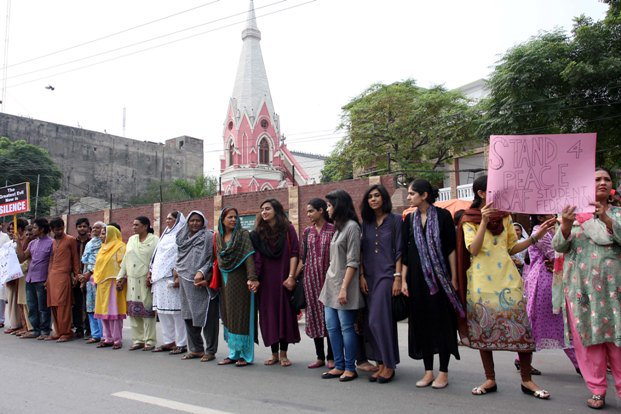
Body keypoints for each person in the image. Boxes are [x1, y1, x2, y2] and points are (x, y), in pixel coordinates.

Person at [456, 175, 555, 399]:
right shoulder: (469, 218)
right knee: (484, 331)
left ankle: (527, 380)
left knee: (522, 330)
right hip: (481, 284)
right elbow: (474, 249)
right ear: (481, 193)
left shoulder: (506, 218)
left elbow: (511, 248)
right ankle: (490, 378)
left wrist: (535, 237)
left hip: (509, 281)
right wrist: (483, 221)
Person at [552, 168, 621, 409]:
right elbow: (559, 248)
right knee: (589, 341)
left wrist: (606, 220)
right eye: (596, 179)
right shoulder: (572, 215)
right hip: (581, 290)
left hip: (614, 291)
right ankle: (597, 390)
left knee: (618, 340)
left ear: (612, 185)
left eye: (606, 179)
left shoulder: (618, 214)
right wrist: (565, 226)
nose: (602, 182)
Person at [401, 179, 464, 389]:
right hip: (417, 280)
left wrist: (454, 278)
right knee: (422, 324)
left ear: (424, 195)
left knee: (443, 324)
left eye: (411, 193)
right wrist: (402, 280)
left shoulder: (443, 216)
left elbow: (451, 249)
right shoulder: (409, 220)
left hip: (441, 279)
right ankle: (428, 371)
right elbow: (406, 254)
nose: (408, 197)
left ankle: (443, 372)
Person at [523, 214, 579, 371]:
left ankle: (521, 359)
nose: (554, 213)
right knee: (560, 322)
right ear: (541, 218)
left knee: (538, 321)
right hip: (545, 281)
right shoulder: (540, 232)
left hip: (549, 279)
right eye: (550, 212)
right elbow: (555, 255)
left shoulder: (551, 230)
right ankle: (578, 363)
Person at [319, 189, 364, 382]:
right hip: (331, 285)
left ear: (339, 206)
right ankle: (338, 365)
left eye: (329, 205)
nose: (327, 209)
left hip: (345, 285)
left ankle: (349, 367)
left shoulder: (352, 227)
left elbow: (353, 260)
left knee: (346, 327)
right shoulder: (338, 227)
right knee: (332, 328)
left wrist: (344, 288)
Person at [359, 184, 402, 383]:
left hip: (387, 275)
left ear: (384, 198)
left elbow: (399, 250)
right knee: (371, 322)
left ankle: (389, 364)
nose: (373, 199)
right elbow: (361, 252)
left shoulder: (395, 220)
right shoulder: (365, 223)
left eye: (377, 196)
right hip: (369, 277)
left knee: (379, 319)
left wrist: (398, 277)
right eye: (370, 197)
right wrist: (361, 276)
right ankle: (381, 363)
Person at [250, 199, 300, 367]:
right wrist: (255, 278)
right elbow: (256, 257)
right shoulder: (257, 233)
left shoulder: (288, 229)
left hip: (284, 278)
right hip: (266, 281)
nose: (264, 212)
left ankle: (284, 354)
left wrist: (292, 276)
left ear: (276, 210)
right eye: (262, 209)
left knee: (284, 314)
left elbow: (295, 253)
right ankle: (274, 354)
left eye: (267, 209)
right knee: (269, 315)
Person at [294, 198, 335, 369]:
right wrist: (293, 277)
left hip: (329, 280)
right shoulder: (307, 232)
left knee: (330, 319)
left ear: (321, 210)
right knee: (315, 317)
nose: (308, 214)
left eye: (311, 211)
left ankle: (332, 356)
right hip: (310, 280)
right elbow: (303, 258)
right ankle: (320, 357)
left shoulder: (333, 230)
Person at [216, 207, 259, 367]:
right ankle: (233, 353)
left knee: (242, 316)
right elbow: (217, 259)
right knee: (229, 315)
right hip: (224, 280)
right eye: (230, 217)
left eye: (235, 217)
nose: (233, 220)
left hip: (240, 280)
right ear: (222, 219)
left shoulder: (242, 235)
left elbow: (249, 258)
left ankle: (246, 355)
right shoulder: (219, 237)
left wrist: (252, 278)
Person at [175, 210, 219, 362]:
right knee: (188, 316)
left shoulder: (208, 236)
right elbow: (180, 257)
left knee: (207, 317)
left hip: (202, 282)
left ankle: (210, 351)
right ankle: (196, 349)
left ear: (203, 222)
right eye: (192, 220)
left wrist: (201, 271)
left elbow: (211, 258)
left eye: (198, 221)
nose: (194, 223)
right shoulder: (182, 237)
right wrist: (177, 271)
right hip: (185, 281)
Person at [116, 216, 159, 351]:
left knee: (147, 309)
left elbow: (157, 260)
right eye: (133, 225)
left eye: (137, 225)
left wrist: (152, 275)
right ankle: (138, 339)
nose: (133, 227)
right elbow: (126, 260)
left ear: (145, 226)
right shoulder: (131, 240)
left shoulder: (155, 240)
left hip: (146, 279)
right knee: (134, 310)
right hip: (132, 278)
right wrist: (120, 277)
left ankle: (150, 340)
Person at [148, 211, 188, 355]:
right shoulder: (165, 234)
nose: (167, 221)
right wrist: (151, 271)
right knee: (163, 312)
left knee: (176, 312)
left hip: (172, 277)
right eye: (166, 218)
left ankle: (182, 343)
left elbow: (182, 254)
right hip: (159, 278)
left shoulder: (182, 234)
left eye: (170, 218)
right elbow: (157, 255)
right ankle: (169, 341)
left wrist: (178, 275)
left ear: (178, 220)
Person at [16, 219, 53, 339]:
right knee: (32, 306)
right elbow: (22, 258)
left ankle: (45, 331)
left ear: (42, 229)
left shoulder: (51, 243)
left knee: (43, 307)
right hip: (30, 279)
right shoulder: (32, 243)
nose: (33, 230)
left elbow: (53, 263)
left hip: (42, 279)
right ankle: (35, 330)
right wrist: (18, 242)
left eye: (35, 228)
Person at [46, 217, 80, 342]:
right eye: (56, 229)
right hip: (52, 276)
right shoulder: (53, 242)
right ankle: (58, 331)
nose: (59, 231)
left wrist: (76, 275)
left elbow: (75, 259)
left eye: (61, 228)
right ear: (52, 230)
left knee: (63, 304)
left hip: (64, 275)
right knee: (53, 304)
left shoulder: (70, 240)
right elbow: (51, 260)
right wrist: (48, 277)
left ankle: (66, 332)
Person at [93, 225, 127, 349]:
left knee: (114, 311)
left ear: (111, 234)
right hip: (102, 283)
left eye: (103, 234)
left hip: (114, 282)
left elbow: (123, 264)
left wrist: (121, 280)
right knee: (103, 311)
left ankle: (117, 339)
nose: (101, 236)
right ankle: (107, 338)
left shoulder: (120, 246)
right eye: (101, 234)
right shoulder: (102, 248)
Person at [80, 221, 105, 343]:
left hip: (99, 277)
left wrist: (90, 272)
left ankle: (103, 334)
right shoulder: (90, 243)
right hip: (88, 279)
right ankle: (95, 334)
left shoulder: (104, 243)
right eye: (94, 228)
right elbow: (86, 261)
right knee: (90, 307)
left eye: (98, 228)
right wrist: (83, 279)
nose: (95, 230)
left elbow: (100, 262)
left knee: (99, 307)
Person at [4, 218, 29, 335]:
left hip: (22, 274)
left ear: (19, 229)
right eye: (9, 230)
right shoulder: (10, 242)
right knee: (13, 300)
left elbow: (24, 258)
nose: (10, 232)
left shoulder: (25, 240)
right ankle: (16, 324)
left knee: (22, 301)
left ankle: (25, 326)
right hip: (11, 275)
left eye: (12, 229)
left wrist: (17, 269)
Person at [73, 218, 91, 339]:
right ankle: (79, 328)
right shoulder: (73, 242)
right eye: (80, 226)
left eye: (84, 226)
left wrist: (86, 275)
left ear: (88, 228)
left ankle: (89, 329)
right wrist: (74, 275)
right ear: (76, 228)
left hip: (89, 277)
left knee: (89, 304)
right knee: (77, 304)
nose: (82, 229)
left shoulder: (92, 243)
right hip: (75, 277)